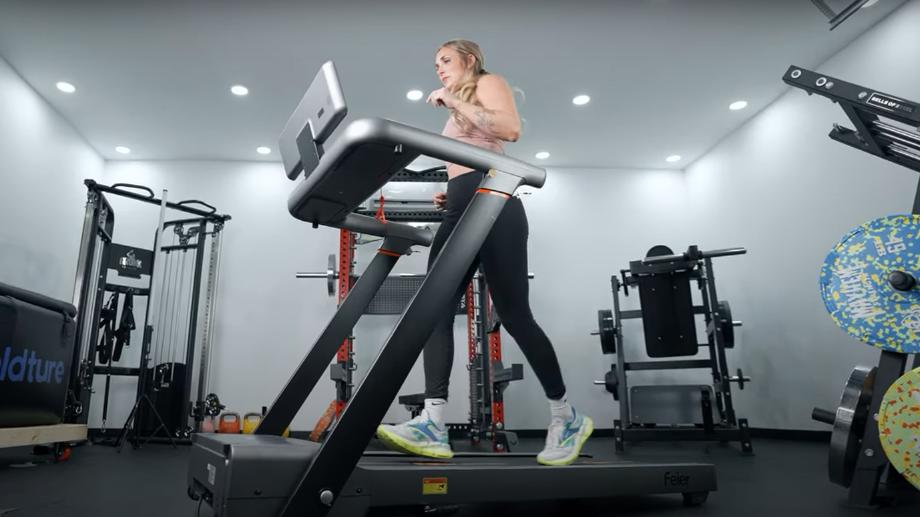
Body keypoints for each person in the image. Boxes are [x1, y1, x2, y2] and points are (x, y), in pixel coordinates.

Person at [375, 40, 593, 466]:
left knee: (514, 315)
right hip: (461, 206)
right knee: (431, 309)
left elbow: (509, 130)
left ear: (469, 60)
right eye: (435, 63)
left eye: (445, 61)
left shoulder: (487, 83)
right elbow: (468, 160)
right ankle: (433, 423)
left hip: (496, 203)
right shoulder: (458, 104)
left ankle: (565, 416)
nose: (438, 69)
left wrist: (454, 98)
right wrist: (451, 193)